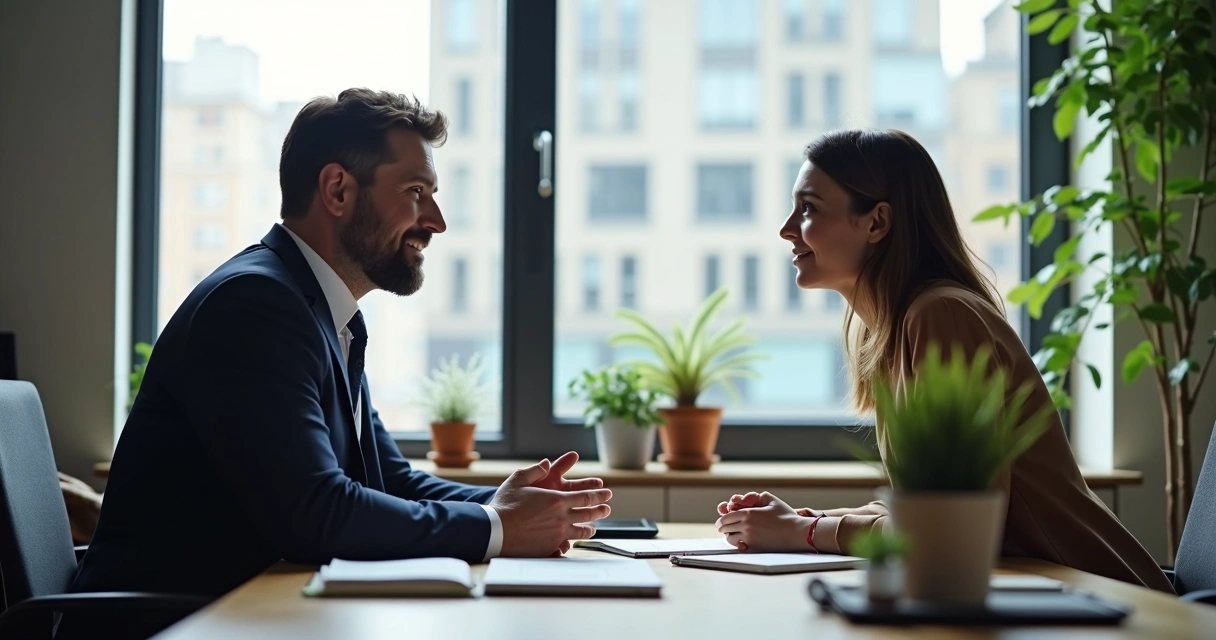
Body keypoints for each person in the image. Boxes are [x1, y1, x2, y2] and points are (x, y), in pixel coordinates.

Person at [60, 89, 612, 639]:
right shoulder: (255, 306)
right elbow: (316, 512)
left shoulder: (321, 311)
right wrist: (497, 527)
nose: (437, 221)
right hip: (169, 625)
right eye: (415, 192)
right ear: (338, 189)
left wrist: (513, 504)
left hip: (250, 614)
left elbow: (385, 478)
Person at [714, 129, 1172, 593]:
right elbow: (920, 509)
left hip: (1105, 603)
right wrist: (804, 521)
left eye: (809, 208)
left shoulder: (941, 315)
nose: (787, 228)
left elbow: (952, 529)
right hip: (1047, 593)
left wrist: (804, 534)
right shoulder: (899, 327)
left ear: (876, 223)